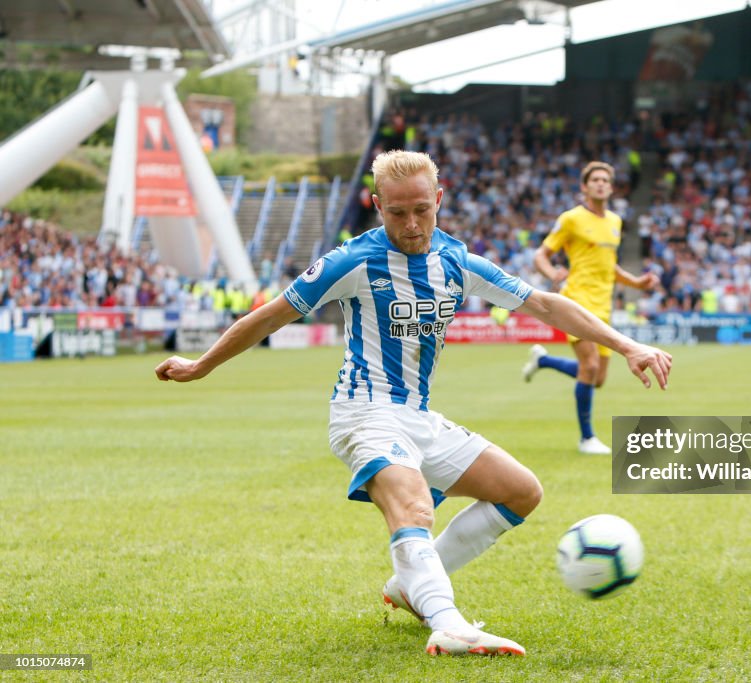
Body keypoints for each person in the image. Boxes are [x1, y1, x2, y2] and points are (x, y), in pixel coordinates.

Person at [155, 150, 673, 656]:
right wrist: (202, 364)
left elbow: (544, 303)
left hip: (419, 415)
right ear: (377, 204)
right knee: (414, 506)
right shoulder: (353, 260)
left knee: (521, 492)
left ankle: (411, 587)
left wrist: (628, 345)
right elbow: (269, 316)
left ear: (439, 199)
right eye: (397, 211)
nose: (410, 223)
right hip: (365, 411)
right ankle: (447, 623)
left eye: (421, 209)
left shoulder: (455, 259)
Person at [525, 161, 660, 455]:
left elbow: (609, 266)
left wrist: (637, 283)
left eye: (605, 180)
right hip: (577, 300)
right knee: (590, 366)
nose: (600, 184)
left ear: (611, 187)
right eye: (594, 180)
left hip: (604, 305)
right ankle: (587, 438)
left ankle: (544, 361)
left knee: (597, 378)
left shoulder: (615, 222)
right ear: (585, 187)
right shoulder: (571, 219)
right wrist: (552, 274)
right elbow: (541, 255)